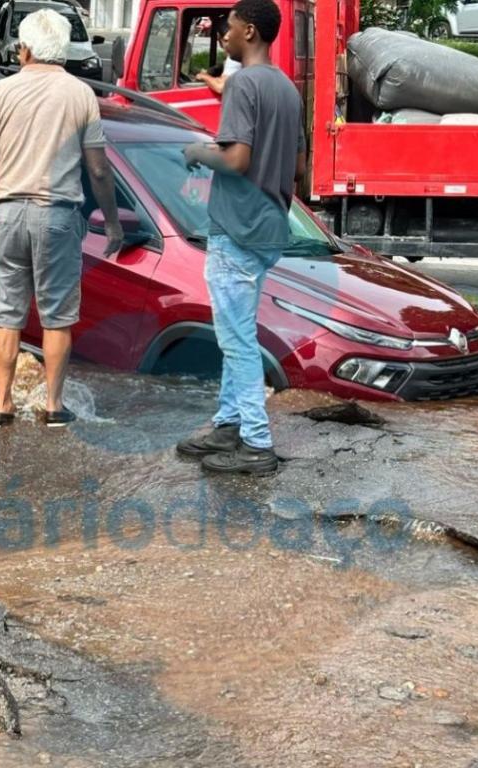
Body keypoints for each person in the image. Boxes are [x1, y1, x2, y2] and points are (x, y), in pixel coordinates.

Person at [0, 8, 123, 429]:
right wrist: (112, 222)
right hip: (58, 215)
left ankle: (2, 405)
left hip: (9, 212)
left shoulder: (0, 93)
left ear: (26, 48)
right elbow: (100, 170)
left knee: (5, 313)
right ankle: (53, 406)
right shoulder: (81, 95)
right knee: (57, 317)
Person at [176, 0, 306, 475]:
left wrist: (197, 150)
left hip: (237, 227)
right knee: (239, 334)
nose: (224, 37)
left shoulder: (243, 84)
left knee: (236, 341)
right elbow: (297, 168)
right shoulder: (288, 91)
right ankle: (228, 424)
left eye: (229, 29)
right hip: (271, 226)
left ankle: (254, 442)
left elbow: (235, 160)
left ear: (249, 31)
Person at [195, 18, 241, 96]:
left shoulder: (234, 57)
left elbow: (221, 87)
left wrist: (204, 76)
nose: (229, 45)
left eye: (228, 40)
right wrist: (214, 69)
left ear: (219, 39)